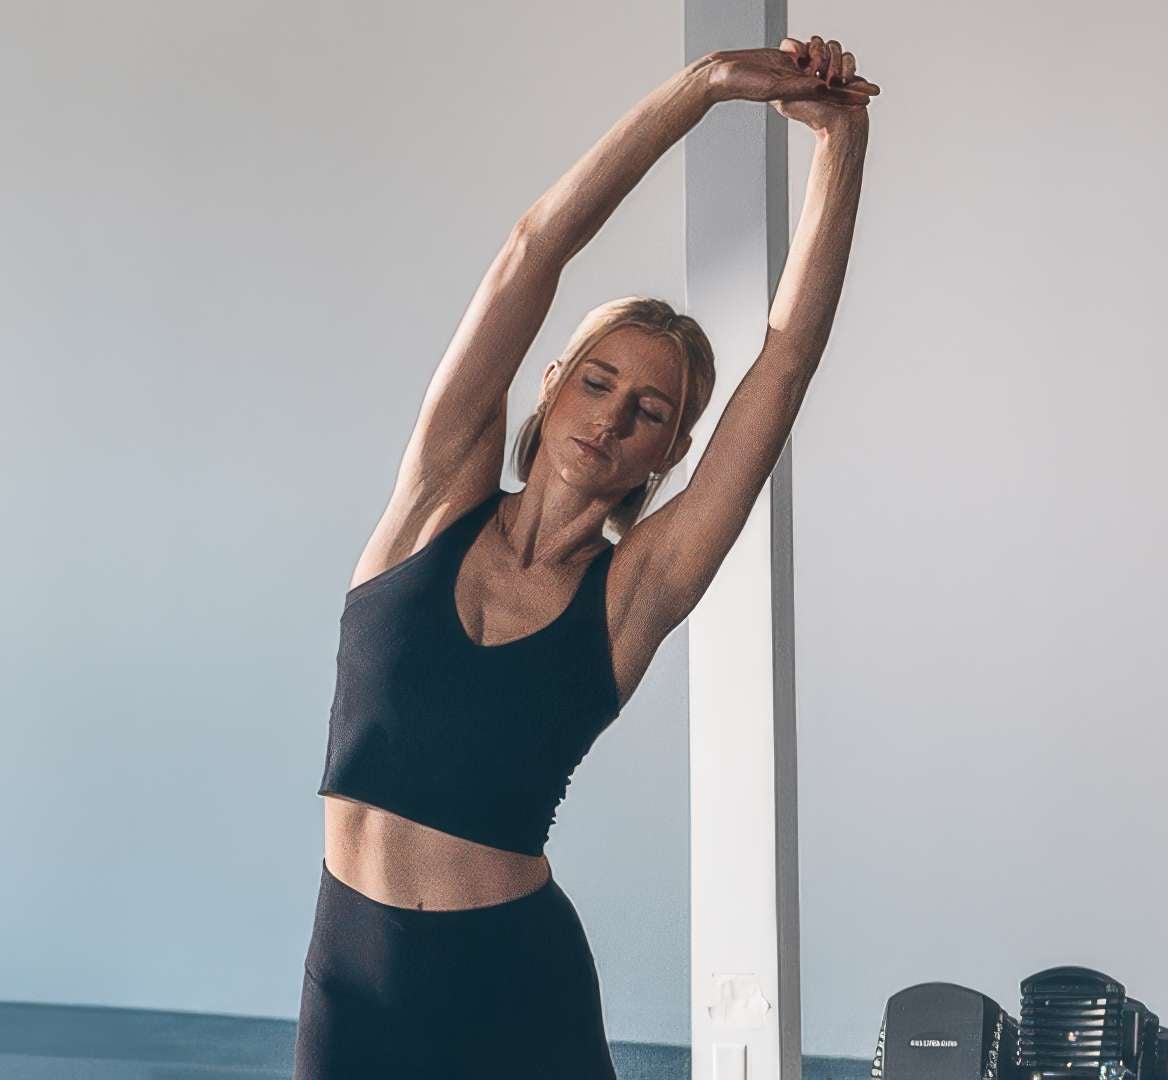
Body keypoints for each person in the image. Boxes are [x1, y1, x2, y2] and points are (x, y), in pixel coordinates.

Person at [293, 35, 878, 1078]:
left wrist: (843, 142)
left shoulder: (630, 597)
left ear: (669, 451)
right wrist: (697, 91)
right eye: (599, 383)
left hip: (511, 988)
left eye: (649, 411)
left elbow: (783, 363)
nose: (612, 419)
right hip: (351, 976)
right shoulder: (433, 507)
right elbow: (533, 247)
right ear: (554, 380)